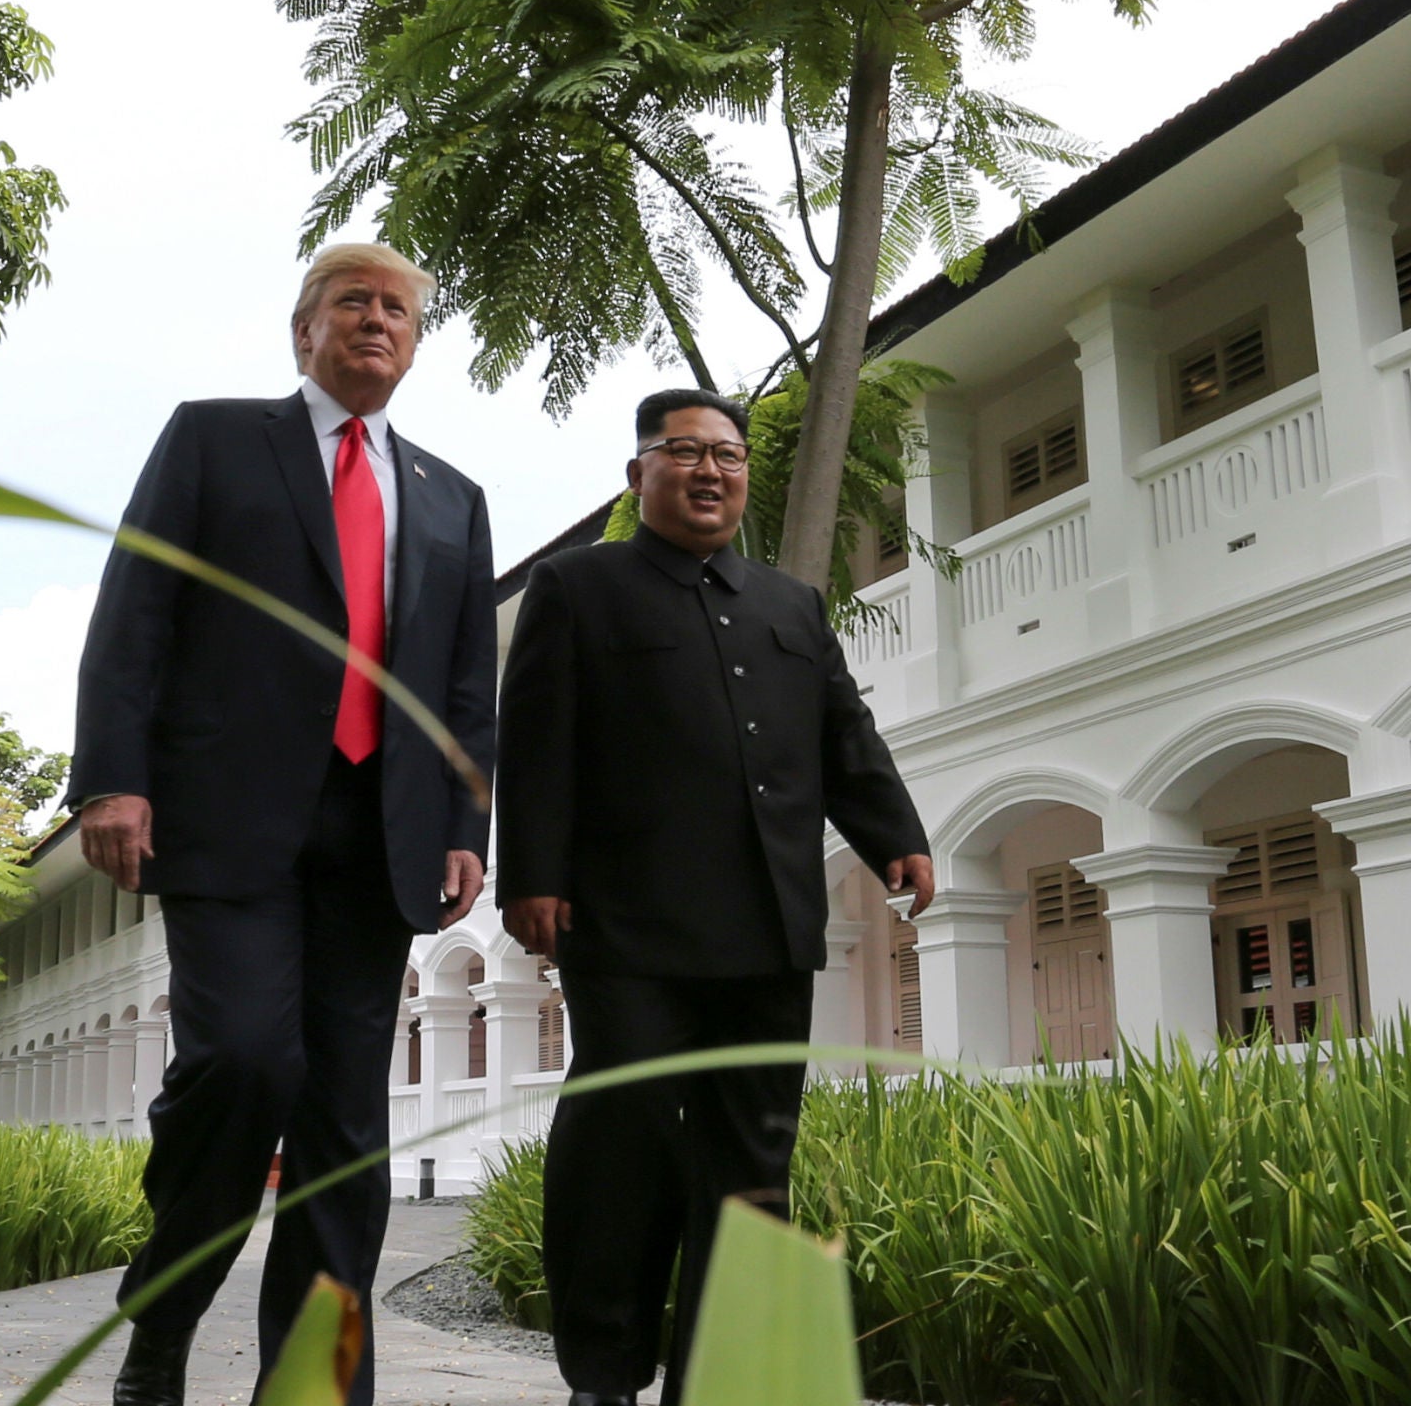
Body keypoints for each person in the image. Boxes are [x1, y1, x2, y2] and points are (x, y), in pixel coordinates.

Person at [69, 243, 498, 1406]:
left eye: (398, 308)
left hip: (385, 833)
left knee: (343, 1124)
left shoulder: (453, 496)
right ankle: (161, 1323)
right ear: (300, 330)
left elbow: (464, 685)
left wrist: (467, 822)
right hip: (228, 819)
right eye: (352, 301)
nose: (376, 319)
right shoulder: (212, 439)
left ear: (414, 342)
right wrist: (111, 778)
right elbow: (135, 611)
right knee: (242, 1062)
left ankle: (314, 1383)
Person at [494, 387, 934, 1406]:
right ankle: (600, 1378)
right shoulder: (578, 588)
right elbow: (536, 745)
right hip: (626, 926)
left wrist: (894, 836)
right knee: (624, 1152)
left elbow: (841, 733)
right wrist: (535, 878)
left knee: (751, 1167)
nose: (708, 471)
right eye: (682, 452)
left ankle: (718, 1379)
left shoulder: (790, 604)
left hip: (768, 929)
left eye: (726, 456)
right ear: (636, 472)